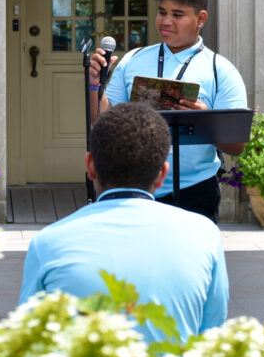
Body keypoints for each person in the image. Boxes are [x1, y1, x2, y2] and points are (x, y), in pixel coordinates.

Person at [19, 101, 228, 342]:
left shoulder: (47, 244)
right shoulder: (205, 236)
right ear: (162, 173)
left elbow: (28, 345)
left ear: (90, 166)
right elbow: (211, 336)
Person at [88, 0, 247, 223]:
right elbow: (103, 121)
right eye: (162, 12)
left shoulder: (221, 70)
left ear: (201, 18)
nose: (166, 21)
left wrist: (206, 121)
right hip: (137, 190)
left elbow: (237, 146)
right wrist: (95, 86)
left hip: (196, 192)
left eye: (178, 15)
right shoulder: (133, 60)